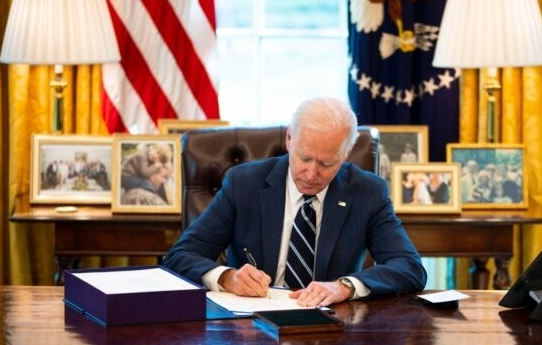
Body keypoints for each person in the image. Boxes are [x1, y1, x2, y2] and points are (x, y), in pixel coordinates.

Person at [161, 96, 426, 307]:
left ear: (345, 155)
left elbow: (409, 268)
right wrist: (227, 278)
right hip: (252, 328)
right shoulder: (244, 184)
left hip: (331, 329)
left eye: (326, 163)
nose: (311, 174)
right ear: (290, 140)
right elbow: (180, 257)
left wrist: (343, 287)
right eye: (305, 158)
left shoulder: (368, 192)